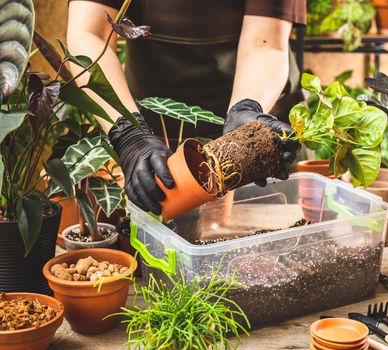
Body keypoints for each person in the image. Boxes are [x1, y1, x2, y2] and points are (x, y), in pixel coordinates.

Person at [67, 0, 306, 215]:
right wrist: (128, 132)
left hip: (254, 115)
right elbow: (90, 32)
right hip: (152, 135)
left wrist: (247, 106)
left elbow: (265, 42)